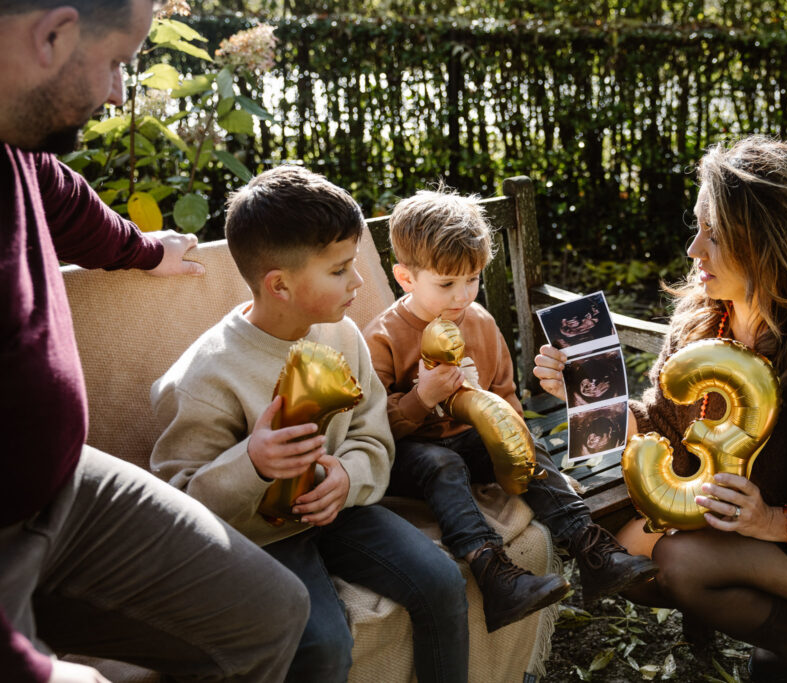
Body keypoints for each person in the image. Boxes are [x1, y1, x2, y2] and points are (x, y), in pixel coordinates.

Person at [533, 137, 787, 683]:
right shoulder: (705, 322)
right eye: (698, 226)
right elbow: (665, 427)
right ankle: (783, 641)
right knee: (618, 557)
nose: (694, 250)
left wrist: (774, 521)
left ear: (770, 245)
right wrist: (588, 394)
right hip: (751, 537)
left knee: (679, 563)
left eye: (716, 234)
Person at [0, 2, 310, 682]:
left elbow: (57, 195)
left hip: (61, 488)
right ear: (51, 33)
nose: (119, 91)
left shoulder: (12, 132)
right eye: (115, 62)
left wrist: (143, 250)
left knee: (273, 613)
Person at [150, 166, 469, 683]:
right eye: (341, 269)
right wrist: (251, 463)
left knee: (441, 581)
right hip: (256, 539)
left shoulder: (342, 335)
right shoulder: (201, 379)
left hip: (340, 509)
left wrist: (348, 477)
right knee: (321, 643)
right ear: (280, 284)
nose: (360, 281)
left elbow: (372, 435)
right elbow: (178, 505)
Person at [362, 188, 659, 634]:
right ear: (405, 278)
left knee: (526, 443)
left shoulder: (479, 321)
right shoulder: (383, 336)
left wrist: (524, 448)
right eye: (446, 284)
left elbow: (507, 397)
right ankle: (495, 575)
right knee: (440, 461)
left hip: (475, 441)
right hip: (415, 455)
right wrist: (420, 397)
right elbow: (373, 429)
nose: (463, 295)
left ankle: (591, 547)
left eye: (473, 278)